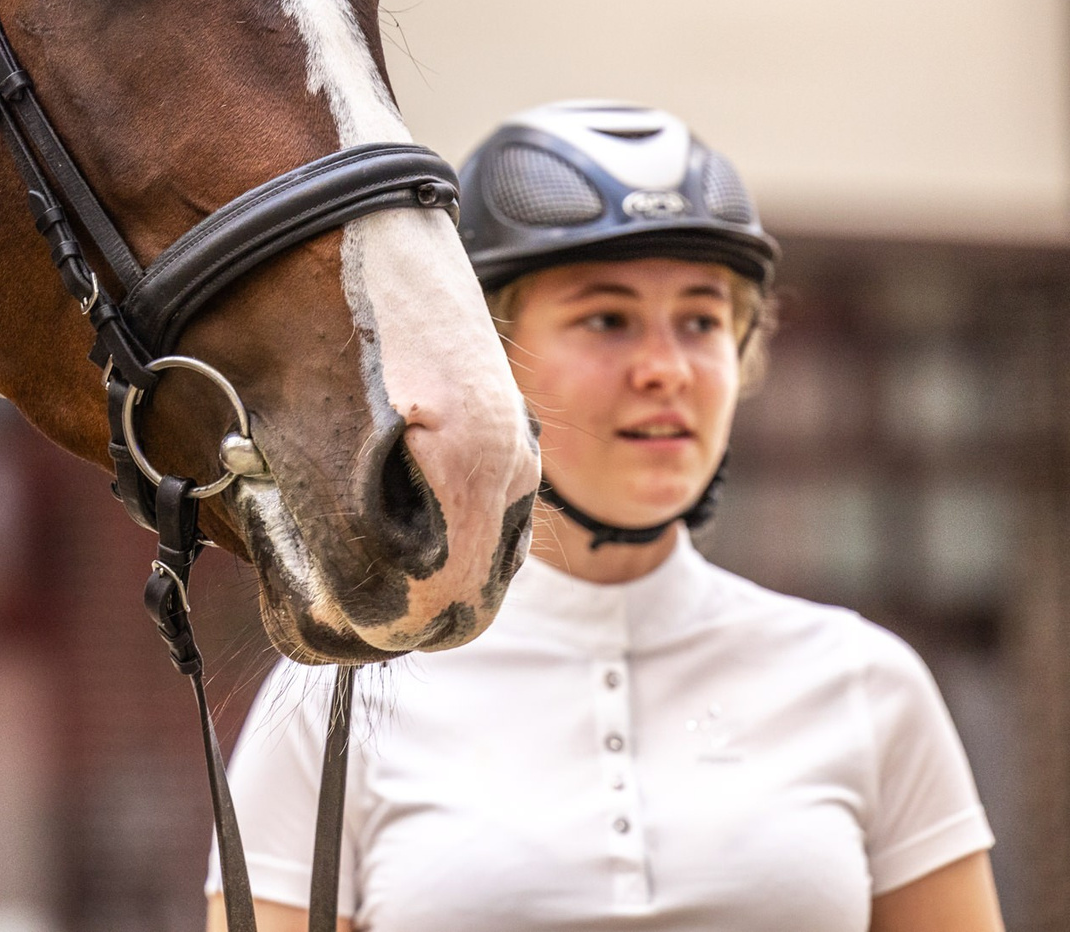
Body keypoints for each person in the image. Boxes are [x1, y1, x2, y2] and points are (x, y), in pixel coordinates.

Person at [217, 101, 1002, 932]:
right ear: (485, 355)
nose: (666, 368)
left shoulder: (867, 683)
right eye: (608, 319)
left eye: (702, 320)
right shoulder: (334, 700)